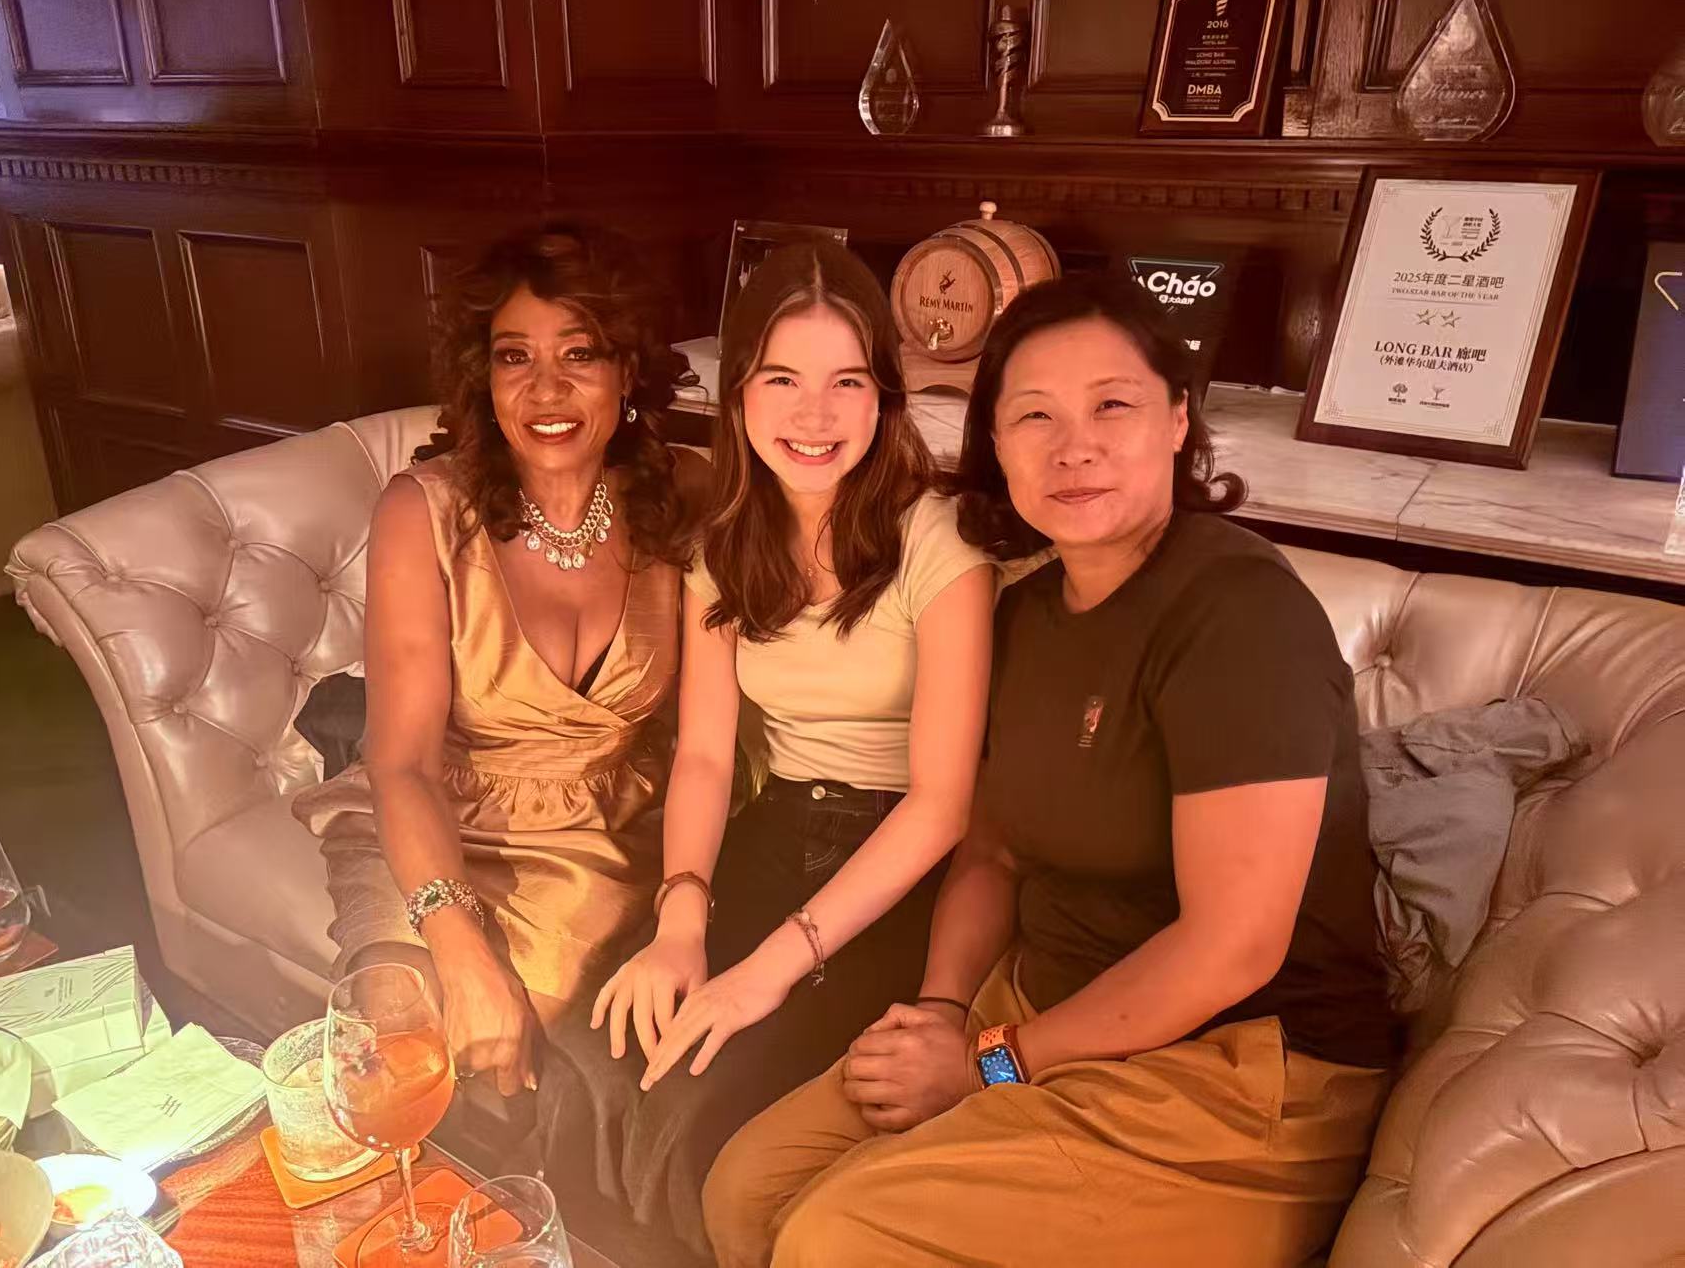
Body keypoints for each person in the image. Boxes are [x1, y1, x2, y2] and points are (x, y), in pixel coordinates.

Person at [703, 274, 1398, 1268]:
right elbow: (990, 849)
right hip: (1038, 1005)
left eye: (1111, 404)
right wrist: (943, 1010)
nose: (1072, 446)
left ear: (1176, 419)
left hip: (1239, 1068)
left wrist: (992, 1065)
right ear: (994, 442)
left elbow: (1233, 946)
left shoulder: (1237, 612)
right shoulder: (1028, 613)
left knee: (839, 1237)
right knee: (747, 1188)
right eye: (1033, 415)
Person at [537, 239, 995, 1254]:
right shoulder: (723, 545)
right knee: (594, 1052)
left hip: (898, 867)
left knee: (709, 1100)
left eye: (846, 382)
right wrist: (681, 920)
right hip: (774, 827)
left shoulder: (939, 540)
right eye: (782, 379)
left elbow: (941, 804)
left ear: (884, 395)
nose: (814, 414)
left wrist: (768, 968)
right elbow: (705, 755)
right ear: (739, 390)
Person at [293, 224, 703, 1099]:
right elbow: (401, 763)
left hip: (601, 838)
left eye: (580, 354)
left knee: (508, 1072)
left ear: (628, 371)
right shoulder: (423, 512)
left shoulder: (684, 504)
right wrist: (460, 947)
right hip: (428, 818)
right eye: (515, 356)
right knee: (399, 1045)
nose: (545, 389)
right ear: (484, 376)